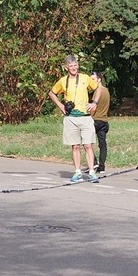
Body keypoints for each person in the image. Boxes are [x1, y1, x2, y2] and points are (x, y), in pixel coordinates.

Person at [48, 55, 102, 183]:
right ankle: (77, 172)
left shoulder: (85, 78)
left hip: (85, 117)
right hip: (71, 117)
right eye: (71, 66)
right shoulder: (63, 81)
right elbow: (51, 93)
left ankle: (92, 172)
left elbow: (98, 88)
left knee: (88, 145)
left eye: (75, 65)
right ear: (66, 67)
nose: (73, 68)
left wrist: (94, 102)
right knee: (75, 146)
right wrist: (61, 106)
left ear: (78, 66)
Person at [90, 70, 110, 174]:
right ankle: (102, 166)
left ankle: (93, 162)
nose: (92, 82)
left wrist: (89, 117)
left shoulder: (97, 91)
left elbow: (94, 107)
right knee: (102, 144)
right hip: (104, 121)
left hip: (95, 120)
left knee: (87, 143)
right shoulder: (106, 91)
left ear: (99, 79)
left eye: (93, 79)